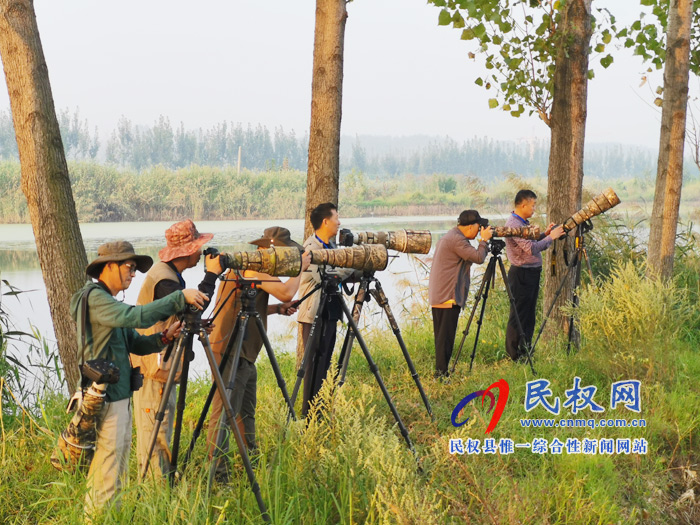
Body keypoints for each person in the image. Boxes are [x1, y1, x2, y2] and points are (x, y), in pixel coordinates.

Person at [71, 241, 207, 520]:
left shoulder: (109, 302)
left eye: (134, 269)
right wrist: (180, 297)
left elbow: (135, 341)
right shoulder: (95, 298)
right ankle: (97, 519)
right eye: (129, 268)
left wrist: (165, 336)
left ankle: (109, 517)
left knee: (115, 468)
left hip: (118, 397)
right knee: (107, 471)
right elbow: (136, 317)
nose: (133, 274)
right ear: (109, 266)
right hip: (105, 398)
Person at [206, 226, 310, 480]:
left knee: (245, 412)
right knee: (225, 413)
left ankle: (250, 464)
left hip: (244, 350)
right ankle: (218, 476)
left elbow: (248, 300)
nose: (287, 263)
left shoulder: (253, 269)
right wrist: (302, 269)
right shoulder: (254, 268)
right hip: (231, 347)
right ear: (272, 251)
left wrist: (276, 309)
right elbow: (287, 291)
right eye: (287, 256)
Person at [131, 219, 222, 480]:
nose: (201, 252)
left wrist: (190, 320)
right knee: (155, 436)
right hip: (153, 369)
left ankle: (161, 491)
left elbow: (180, 313)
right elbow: (192, 306)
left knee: (160, 432)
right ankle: (155, 499)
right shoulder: (164, 281)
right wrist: (212, 275)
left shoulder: (168, 274)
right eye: (199, 246)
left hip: (159, 366)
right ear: (188, 250)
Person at [297, 202, 356, 416]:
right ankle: (307, 413)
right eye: (336, 218)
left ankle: (320, 409)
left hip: (330, 311)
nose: (339, 223)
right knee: (312, 363)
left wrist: (350, 266)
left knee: (326, 360)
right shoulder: (311, 248)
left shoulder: (331, 247)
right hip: (314, 314)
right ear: (325, 221)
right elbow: (325, 276)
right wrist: (351, 264)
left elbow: (337, 272)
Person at [428, 210, 493, 378]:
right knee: (445, 338)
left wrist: (483, 241)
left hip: (442, 293)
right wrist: (484, 240)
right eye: (479, 228)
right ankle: (441, 375)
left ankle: (441, 372)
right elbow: (478, 257)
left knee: (443, 336)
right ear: (470, 226)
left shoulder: (454, 236)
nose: (479, 231)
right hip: (446, 295)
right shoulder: (456, 240)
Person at [504, 189, 565, 361]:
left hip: (530, 273)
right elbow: (531, 248)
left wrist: (545, 234)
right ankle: (514, 355)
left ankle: (526, 350)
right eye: (533, 205)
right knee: (519, 314)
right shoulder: (513, 225)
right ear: (523, 205)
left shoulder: (523, 222)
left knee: (529, 314)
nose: (534, 209)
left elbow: (532, 241)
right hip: (521, 274)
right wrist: (551, 238)